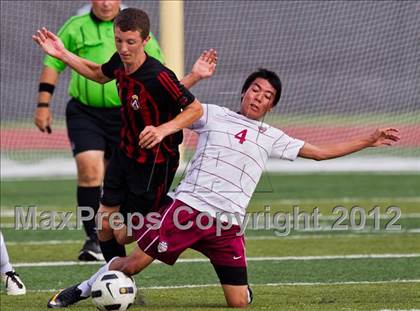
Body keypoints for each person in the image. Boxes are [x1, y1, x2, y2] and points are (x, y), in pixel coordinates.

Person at [44, 68, 400, 308]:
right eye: (255, 89)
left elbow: (321, 153)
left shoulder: (272, 136)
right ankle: (86, 287)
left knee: (240, 302)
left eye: (267, 95)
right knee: (134, 264)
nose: (259, 96)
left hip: (226, 224)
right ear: (244, 92)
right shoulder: (213, 114)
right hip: (186, 210)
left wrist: (369, 138)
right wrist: (191, 83)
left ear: (272, 105)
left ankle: (234, 278)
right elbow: (174, 106)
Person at [32, 8, 217, 264]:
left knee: (122, 235)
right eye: (119, 40)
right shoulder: (120, 61)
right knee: (104, 222)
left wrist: (163, 130)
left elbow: (194, 109)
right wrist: (62, 54)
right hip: (125, 153)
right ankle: (114, 278)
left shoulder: (158, 74)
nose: (124, 48)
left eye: (130, 42)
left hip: (154, 165)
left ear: (145, 41)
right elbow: (98, 74)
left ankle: (170, 212)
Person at [34, 0, 165, 261]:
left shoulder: (134, 28)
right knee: (90, 169)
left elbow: (159, 74)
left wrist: (161, 122)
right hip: (86, 112)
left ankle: (119, 240)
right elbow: (60, 65)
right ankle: (93, 239)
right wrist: (43, 104)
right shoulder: (76, 25)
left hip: (125, 117)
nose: (106, 2)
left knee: (118, 182)